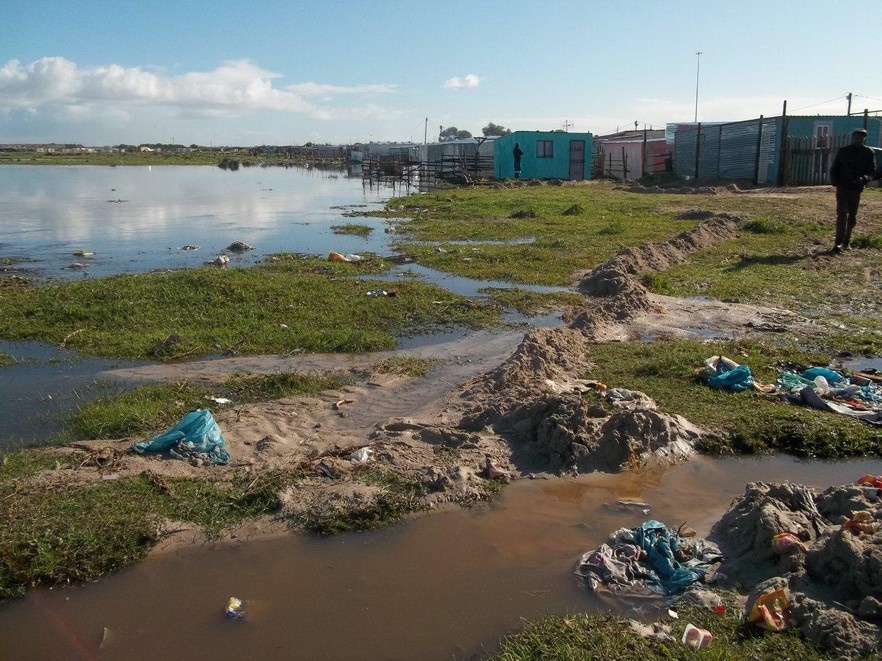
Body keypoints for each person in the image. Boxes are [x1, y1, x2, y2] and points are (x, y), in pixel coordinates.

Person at [829, 128, 877, 253]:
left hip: (856, 188)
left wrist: (864, 178)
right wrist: (835, 182)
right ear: (852, 138)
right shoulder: (844, 151)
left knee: (852, 215)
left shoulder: (868, 153)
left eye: (861, 138)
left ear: (864, 139)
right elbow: (834, 168)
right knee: (842, 213)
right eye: (856, 138)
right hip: (843, 186)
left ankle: (847, 240)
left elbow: (872, 171)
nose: (858, 140)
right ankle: (838, 243)